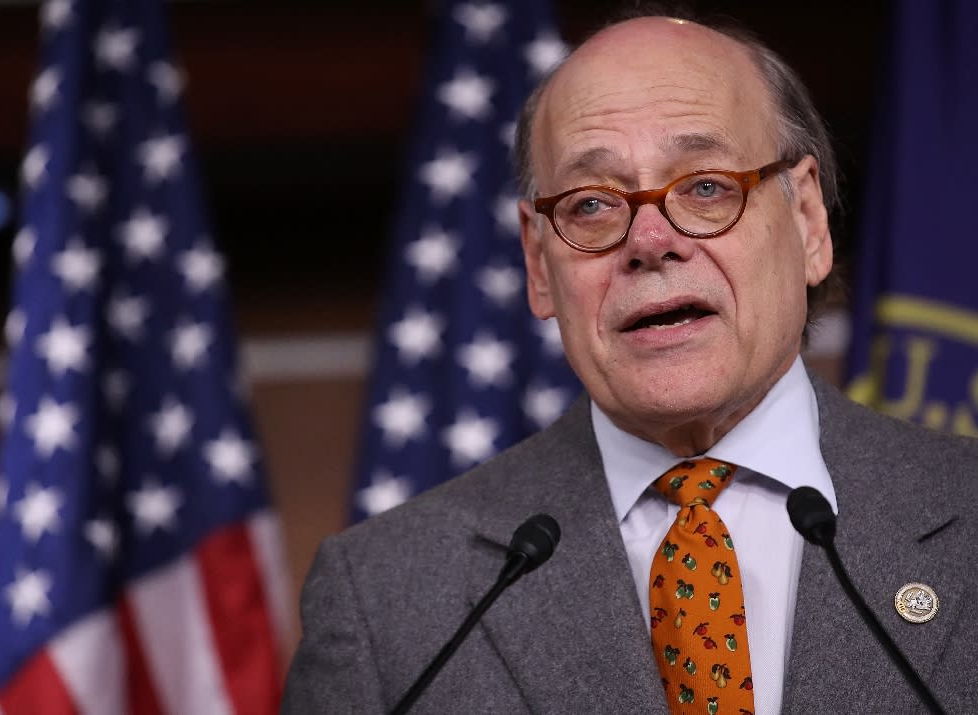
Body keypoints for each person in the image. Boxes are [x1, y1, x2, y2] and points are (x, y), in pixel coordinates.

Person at [283, 10, 978, 714]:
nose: (650, 238)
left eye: (706, 186)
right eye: (590, 204)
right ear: (539, 264)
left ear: (806, 219)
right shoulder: (385, 602)